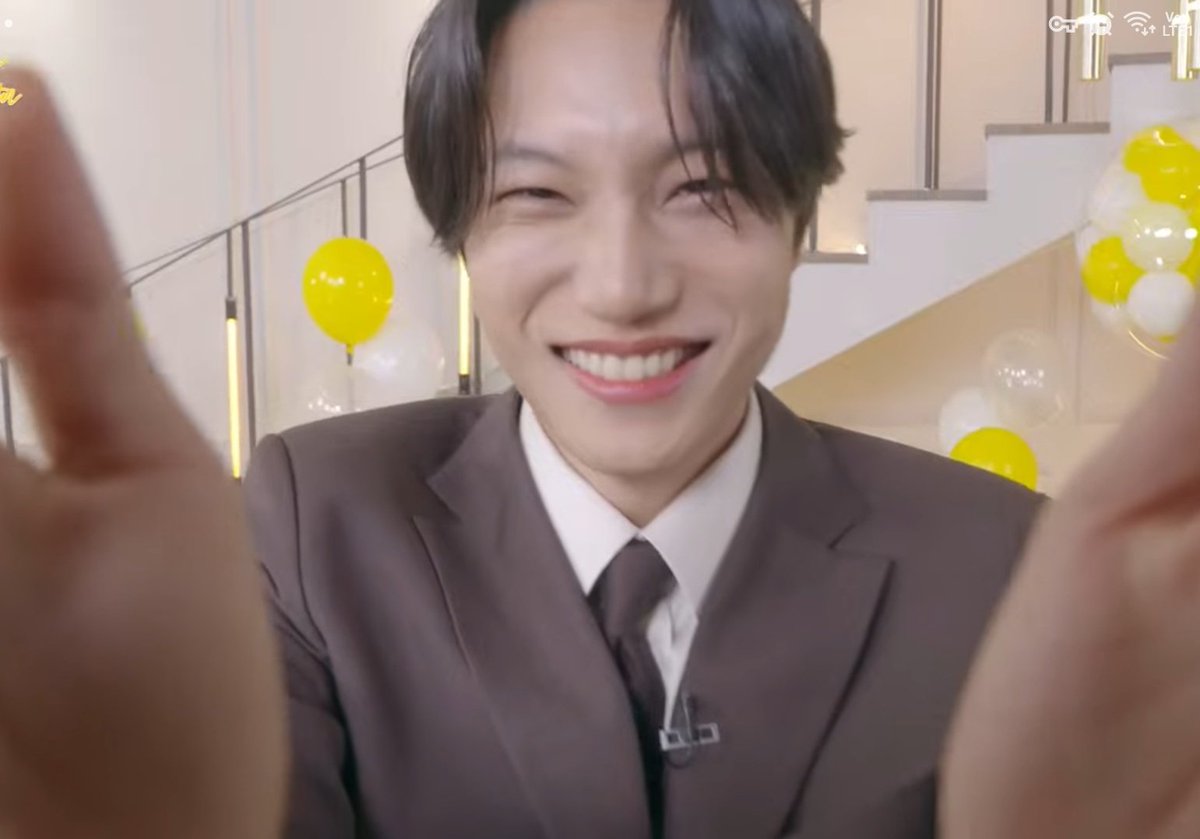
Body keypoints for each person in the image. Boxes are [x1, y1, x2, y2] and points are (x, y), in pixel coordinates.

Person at [4, 3, 1200, 839]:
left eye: (704, 188)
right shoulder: (314, 526)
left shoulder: (1001, 560)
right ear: (460, 228)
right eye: (537, 193)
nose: (623, 285)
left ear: (796, 219)